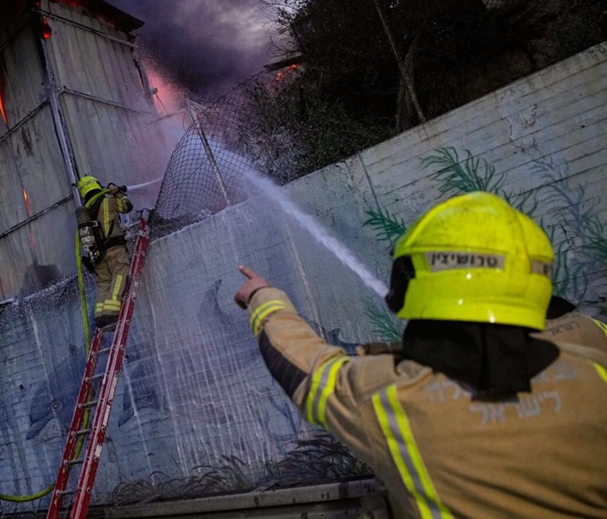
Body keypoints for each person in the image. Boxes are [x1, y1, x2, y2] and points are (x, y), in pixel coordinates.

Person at [234, 192, 607, 518]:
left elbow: (309, 368)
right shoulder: (593, 352)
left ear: (415, 281)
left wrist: (263, 298)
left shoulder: (393, 397)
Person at [77, 174, 133, 329]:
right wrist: (117, 193)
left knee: (104, 284)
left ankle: (100, 316)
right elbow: (127, 206)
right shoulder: (107, 201)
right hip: (114, 249)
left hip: (96, 256)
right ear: (96, 185)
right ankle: (111, 313)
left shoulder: (86, 211)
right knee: (120, 275)